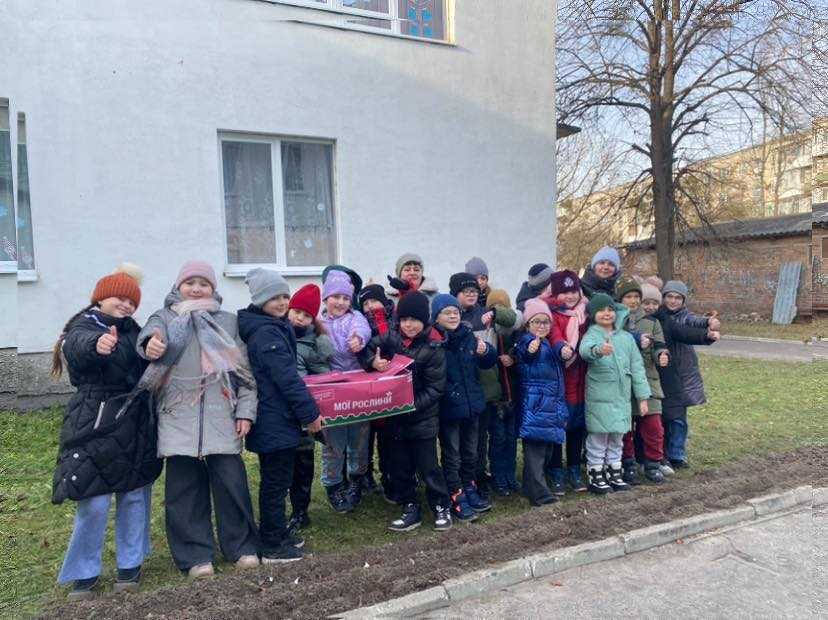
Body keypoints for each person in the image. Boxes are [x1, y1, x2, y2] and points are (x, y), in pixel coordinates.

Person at [137, 260, 259, 578]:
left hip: (222, 416)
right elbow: (150, 337)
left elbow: (245, 374)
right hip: (177, 416)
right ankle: (195, 557)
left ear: (213, 289)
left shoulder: (228, 323)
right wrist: (151, 344)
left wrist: (245, 411)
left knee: (232, 486)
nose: (196, 288)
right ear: (178, 286)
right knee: (184, 493)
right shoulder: (165, 317)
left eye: (203, 283)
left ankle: (242, 547)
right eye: (189, 282)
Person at [52, 264, 156, 600]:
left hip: (133, 421)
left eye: (131, 301)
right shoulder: (84, 326)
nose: (125, 305)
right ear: (100, 298)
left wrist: (154, 349)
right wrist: (96, 345)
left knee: (134, 495)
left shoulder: (133, 330)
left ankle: (130, 565)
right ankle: (84, 573)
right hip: (94, 421)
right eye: (119, 298)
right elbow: (77, 347)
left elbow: (145, 359)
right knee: (93, 501)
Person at [238, 269, 324, 563]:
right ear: (260, 299)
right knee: (275, 483)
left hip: (279, 416)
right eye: (274, 297)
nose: (282, 302)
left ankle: (277, 532)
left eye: (285, 296)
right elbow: (287, 379)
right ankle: (272, 544)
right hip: (274, 417)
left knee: (280, 479)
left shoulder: (272, 325)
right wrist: (311, 414)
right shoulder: (266, 333)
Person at [362, 292, 453, 532]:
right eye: (404, 319)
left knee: (429, 467)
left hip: (422, 418)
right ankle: (410, 506)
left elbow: (435, 389)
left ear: (425, 321)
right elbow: (368, 349)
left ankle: (441, 505)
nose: (409, 325)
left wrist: (409, 404)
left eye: (414, 320)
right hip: (395, 419)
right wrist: (373, 362)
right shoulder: (391, 337)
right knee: (399, 467)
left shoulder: (434, 347)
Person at [432, 293, 497, 521]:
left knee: (471, 453)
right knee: (453, 455)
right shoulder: (437, 342)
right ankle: (455, 492)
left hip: (472, 406)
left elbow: (489, 361)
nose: (452, 316)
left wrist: (486, 351)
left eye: (455, 312)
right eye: (447, 313)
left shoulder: (468, 336)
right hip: (450, 409)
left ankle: (469, 486)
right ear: (436, 317)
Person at [579, 293, 651, 495]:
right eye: (601, 310)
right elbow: (585, 351)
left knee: (617, 438)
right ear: (593, 314)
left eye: (610, 309)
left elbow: (637, 368)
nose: (607, 313)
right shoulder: (592, 334)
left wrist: (643, 397)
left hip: (621, 398)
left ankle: (614, 471)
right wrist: (599, 350)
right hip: (600, 396)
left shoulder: (627, 338)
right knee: (598, 438)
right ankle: (596, 474)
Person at [319, 271, 372, 512]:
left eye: (345, 298)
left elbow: (363, 329)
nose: (340, 302)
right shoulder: (317, 321)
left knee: (359, 440)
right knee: (333, 443)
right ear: (326, 297)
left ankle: (356, 481)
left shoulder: (356, 317)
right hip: (331, 391)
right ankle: (333, 486)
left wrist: (358, 339)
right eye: (335, 296)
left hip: (357, 388)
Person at [654, 280, 720, 469]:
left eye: (678, 298)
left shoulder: (685, 317)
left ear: (683, 300)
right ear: (663, 297)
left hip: (683, 373)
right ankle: (662, 452)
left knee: (678, 417)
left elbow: (695, 322)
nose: (673, 301)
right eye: (669, 297)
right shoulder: (657, 317)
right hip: (662, 371)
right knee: (661, 416)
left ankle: (677, 454)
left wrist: (709, 323)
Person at [286, 283, 333, 534]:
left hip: (302, 413)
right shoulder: (276, 332)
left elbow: (324, 376)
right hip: (279, 411)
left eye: (306, 315)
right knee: (281, 464)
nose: (300, 318)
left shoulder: (311, 344)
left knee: (303, 465)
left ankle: (300, 511)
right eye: (297, 312)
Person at [615, 277, 670, 484]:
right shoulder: (614, 322)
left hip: (648, 380)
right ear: (620, 299)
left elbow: (659, 346)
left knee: (653, 426)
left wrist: (662, 355)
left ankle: (653, 464)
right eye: (628, 296)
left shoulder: (651, 322)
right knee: (625, 428)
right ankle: (628, 464)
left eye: (636, 297)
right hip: (623, 382)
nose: (633, 301)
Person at [515, 299, 570, 506]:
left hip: (550, 407)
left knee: (545, 451)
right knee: (535, 453)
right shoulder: (527, 342)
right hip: (536, 407)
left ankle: (530, 487)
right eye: (536, 322)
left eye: (545, 322)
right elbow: (527, 354)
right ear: (528, 324)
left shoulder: (549, 344)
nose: (541, 326)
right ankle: (540, 495)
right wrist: (532, 348)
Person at [546, 270, 589, 494]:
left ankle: (573, 468)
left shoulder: (585, 313)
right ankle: (555, 471)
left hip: (581, 378)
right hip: (561, 377)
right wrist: (561, 346)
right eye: (565, 292)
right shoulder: (552, 313)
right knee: (558, 427)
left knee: (577, 427)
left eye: (574, 291)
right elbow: (553, 333)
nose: (570, 297)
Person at [356, 283, 397, 497]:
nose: (371, 307)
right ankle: (364, 476)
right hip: (369, 387)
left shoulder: (396, 320)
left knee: (389, 436)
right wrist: (372, 362)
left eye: (374, 300)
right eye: (366, 303)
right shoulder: (360, 324)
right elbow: (360, 351)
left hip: (394, 387)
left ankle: (389, 475)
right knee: (365, 437)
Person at [479, 289, 521, 496]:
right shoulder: (487, 329)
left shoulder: (513, 327)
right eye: (495, 307)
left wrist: (512, 358)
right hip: (496, 397)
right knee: (498, 439)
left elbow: (520, 347)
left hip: (512, 395)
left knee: (511, 438)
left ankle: (510, 475)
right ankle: (498, 477)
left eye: (502, 306)